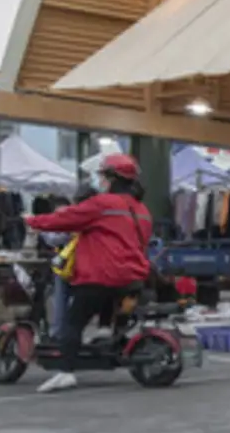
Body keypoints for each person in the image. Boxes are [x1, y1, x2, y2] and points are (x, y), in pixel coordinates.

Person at [22, 153, 155, 394]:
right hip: (133, 276)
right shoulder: (142, 210)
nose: (100, 181)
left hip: (102, 275)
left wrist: (33, 221)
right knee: (109, 306)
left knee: (73, 322)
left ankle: (65, 371)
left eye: (103, 176)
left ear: (112, 178)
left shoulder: (102, 203)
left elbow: (66, 218)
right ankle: (106, 333)